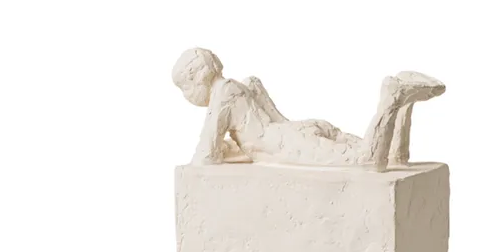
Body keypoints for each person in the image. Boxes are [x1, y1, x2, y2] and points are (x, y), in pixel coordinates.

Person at [172, 47, 445, 171]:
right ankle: (405, 106)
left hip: (288, 143)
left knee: (368, 160)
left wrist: (223, 149)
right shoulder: (245, 85)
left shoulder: (223, 95)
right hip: (298, 131)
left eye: (185, 88)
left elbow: (205, 157)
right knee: (390, 159)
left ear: (198, 78)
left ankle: (393, 97)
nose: (187, 96)